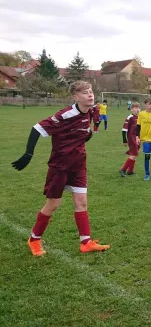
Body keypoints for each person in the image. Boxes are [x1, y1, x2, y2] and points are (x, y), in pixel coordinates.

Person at [10, 80, 110, 257]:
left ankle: (86, 242)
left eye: (91, 91)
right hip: (60, 167)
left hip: (78, 166)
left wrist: (84, 137)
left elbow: (84, 134)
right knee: (53, 204)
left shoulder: (91, 112)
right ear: (75, 96)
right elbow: (36, 129)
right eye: (85, 92)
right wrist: (28, 155)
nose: (90, 94)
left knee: (82, 203)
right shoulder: (65, 115)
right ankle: (34, 240)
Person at [120, 102, 141, 177]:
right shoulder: (130, 118)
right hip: (132, 138)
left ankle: (130, 171)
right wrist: (124, 140)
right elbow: (123, 130)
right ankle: (123, 170)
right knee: (134, 154)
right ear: (131, 109)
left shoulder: (140, 117)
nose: (137, 110)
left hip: (138, 139)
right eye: (135, 108)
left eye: (138, 108)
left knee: (134, 154)